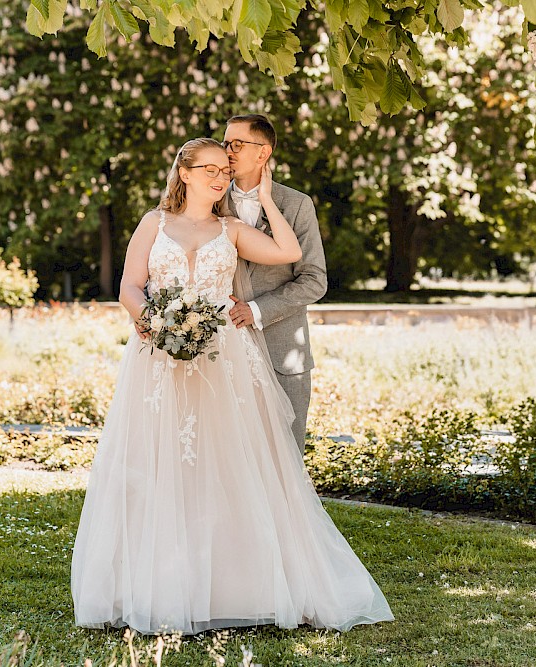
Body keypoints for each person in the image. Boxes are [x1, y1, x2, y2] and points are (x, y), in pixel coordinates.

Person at [70, 138, 392, 635]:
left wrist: (263, 197)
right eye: (210, 170)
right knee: (162, 463)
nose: (221, 178)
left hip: (225, 358)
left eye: (226, 170)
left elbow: (289, 251)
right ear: (184, 172)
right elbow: (129, 287)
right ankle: (160, 583)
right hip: (158, 356)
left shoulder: (232, 229)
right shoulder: (153, 224)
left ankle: (236, 586)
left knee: (229, 462)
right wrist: (154, 322)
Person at [223, 114, 328, 452]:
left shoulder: (296, 205)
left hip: (284, 354)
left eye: (236, 144)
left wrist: (256, 310)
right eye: (225, 143)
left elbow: (314, 281)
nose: (227, 151)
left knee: (285, 458)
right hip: (221, 352)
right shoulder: (208, 203)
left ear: (262, 153)